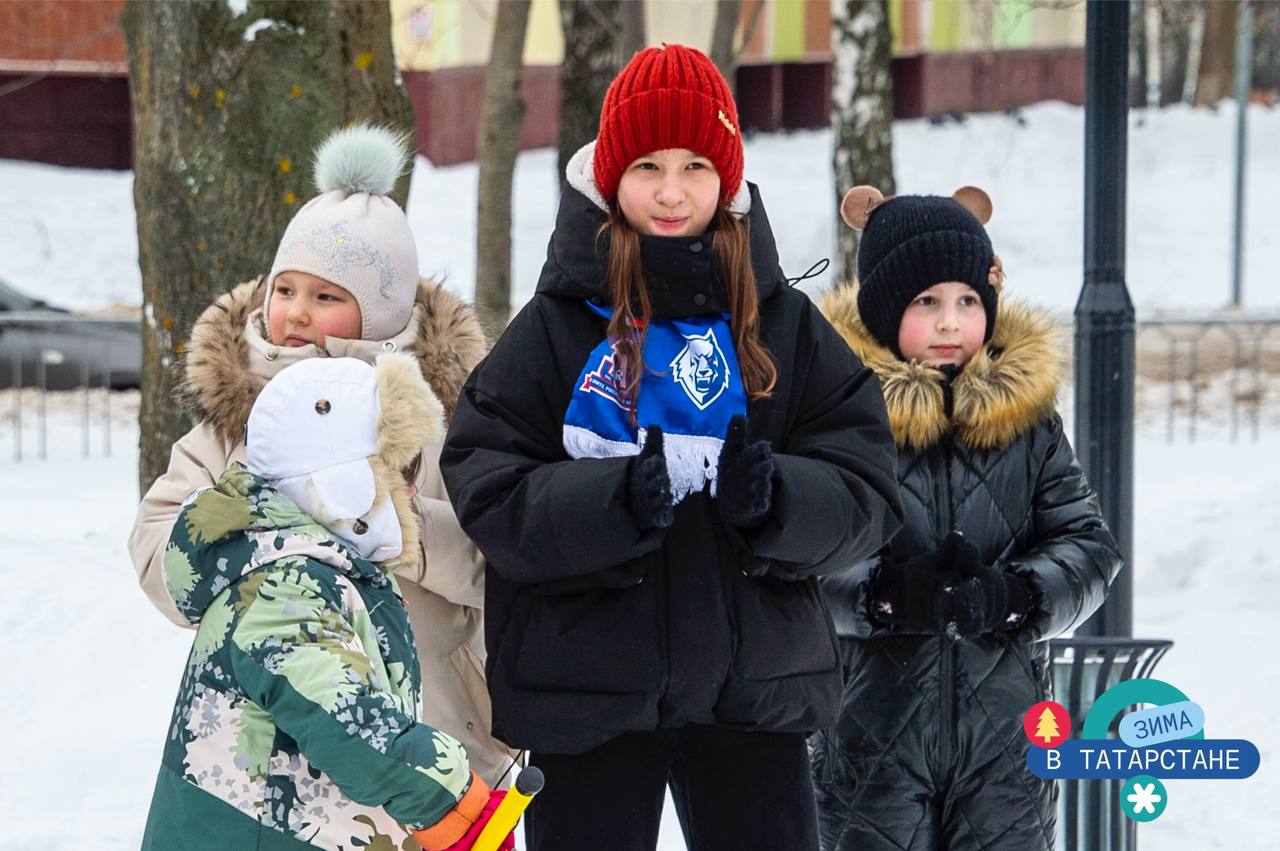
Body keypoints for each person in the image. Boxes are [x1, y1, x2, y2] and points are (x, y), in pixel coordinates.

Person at [438, 44, 903, 851]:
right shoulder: (555, 325)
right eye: (647, 165)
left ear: (727, 176)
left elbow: (866, 485)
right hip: (587, 692)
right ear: (610, 174)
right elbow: (486, 482)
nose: (671, 190)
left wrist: (779, 500)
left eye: (695, 165)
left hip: (755, 698)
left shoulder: (781, 322)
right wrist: (609, 502)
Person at [127, 124, 517, 785]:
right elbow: (154, 545)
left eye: (327, 296)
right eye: (286, 290)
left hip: (434, 734)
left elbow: (503, 556)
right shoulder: (236, 414)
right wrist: (232, 526)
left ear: (385, 311)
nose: (297, 313)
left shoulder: (447, 413)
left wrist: (408, 531)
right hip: (274, 752)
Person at [811, 185, 1124, 851]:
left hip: (1007, 750)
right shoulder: (841, 418)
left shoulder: (1026, 422)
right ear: (883, 309)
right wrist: (886, 595)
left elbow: (1090, 545)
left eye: (967, 301)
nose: (951, 322)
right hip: (871, 741)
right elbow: (801, 558)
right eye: (927, 302)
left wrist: (1018, 594)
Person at [141, 355, 513, 851]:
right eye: (394, 474)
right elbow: (344, 720)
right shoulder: (283, 585)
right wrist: (456, 802)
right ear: (341, 484)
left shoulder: (320, 565)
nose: (407, 494)